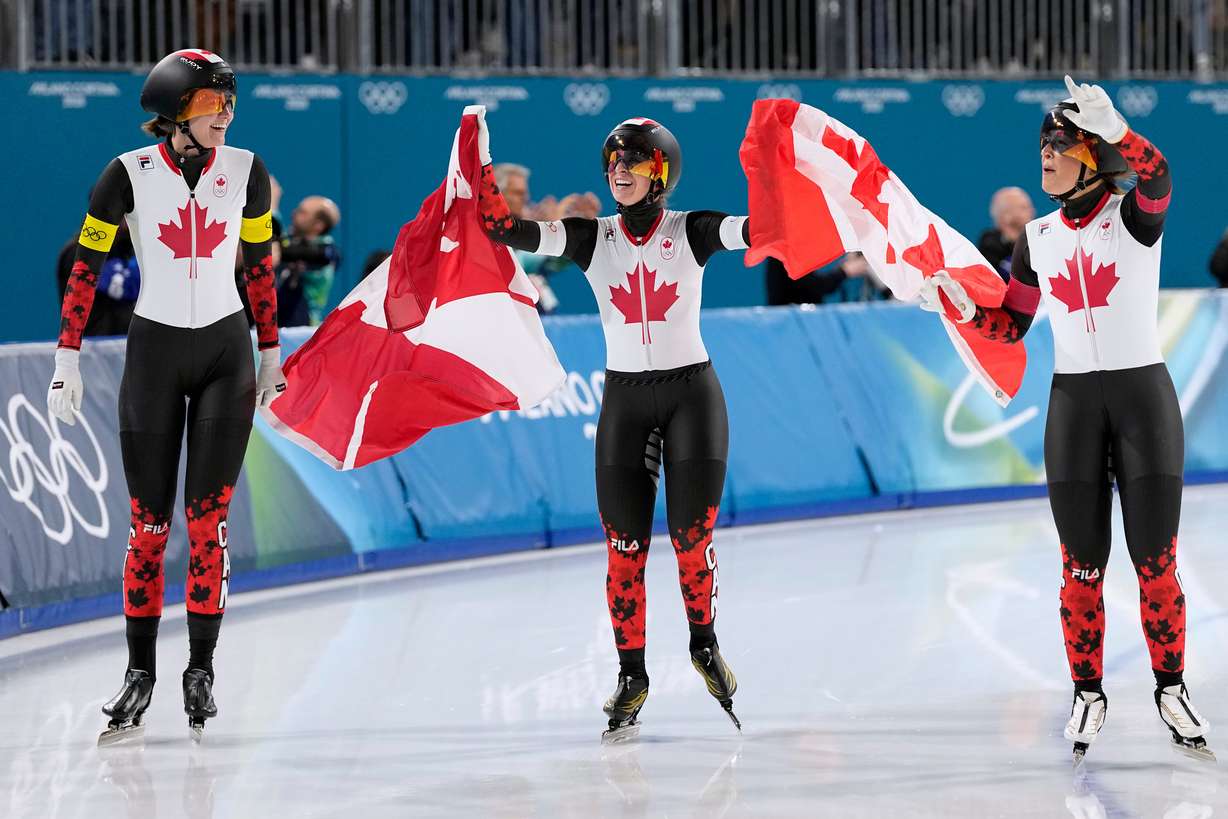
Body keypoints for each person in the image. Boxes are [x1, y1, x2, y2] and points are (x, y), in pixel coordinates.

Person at [951, 76, 1213, 764]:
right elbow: (1010, 326)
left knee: (1155, 565)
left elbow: (1161, 176)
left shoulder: (1132, 216)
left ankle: (1171, 685)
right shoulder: (1034, 237)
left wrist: (1122, 129)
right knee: (1080, 570)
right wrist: (956, 305)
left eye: (1060, 145)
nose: (1045, 155)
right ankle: (1087, 691)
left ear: (1093, 157)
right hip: (1073, 407)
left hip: (1143, 403)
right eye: (1042, 145)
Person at [475, 109, 748, 742]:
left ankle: (703, 646)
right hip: (625, 399)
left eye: (633, 163)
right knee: (624, 551)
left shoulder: (694, 229)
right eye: (612, 163)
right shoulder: (589, 237)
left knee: (689, 541)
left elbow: (759, 233)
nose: (619, 172)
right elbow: (504, 229)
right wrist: (479, 164)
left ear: (662, 173)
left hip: (691, 398)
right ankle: (632, 675)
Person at [46, 48, 285, 745]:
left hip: (224, 354)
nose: (226, 117)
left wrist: (270, 351)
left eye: (231, 105)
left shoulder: (248, 172)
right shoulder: (125, 174)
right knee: (149, 530)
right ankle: (140, 671)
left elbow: (261, 266)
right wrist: (67, 356)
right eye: (213, 105)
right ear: (176, 110)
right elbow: (86, 270)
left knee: (207, 524)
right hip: (153, 354)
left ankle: (200, 668)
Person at [493, 162, 601, 313]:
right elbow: (520, 264)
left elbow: (557, 262)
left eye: (526, 193)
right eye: (518, 193)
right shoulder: (487, 231)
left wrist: (580, 228)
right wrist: (553, 232)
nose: (526, 199)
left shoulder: (525, 226)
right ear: (498, 194)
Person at [55, 214, 139, 338]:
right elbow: (126, 286)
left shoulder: (126, 248)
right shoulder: (78, 253)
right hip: (91, 348)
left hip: (127, 346)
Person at [277, 195, 341, 326]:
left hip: (303, 326)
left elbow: (283, 251)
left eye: (302, 212)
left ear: (318, 225)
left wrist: (272, 212)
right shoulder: (292, 242)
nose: (293, 214)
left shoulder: (326, 251)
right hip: (280, 320)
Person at [764, 252, 888, 305]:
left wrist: (844, 269)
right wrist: (845, 271)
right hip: (791, 328)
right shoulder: (784, 254)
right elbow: (816, 286)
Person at [977, 187, 1035, 281]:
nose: (1032, 211)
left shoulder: (1037, 242)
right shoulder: (990, 245)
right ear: (1006, 215)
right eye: (1024, 207)